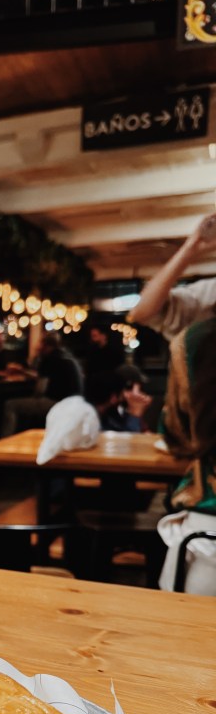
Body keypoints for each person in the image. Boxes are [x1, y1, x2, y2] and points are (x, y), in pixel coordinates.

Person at [127, 213, 216, 594]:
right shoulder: (208, 296)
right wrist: (193, 246)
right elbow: (143, 311)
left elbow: (178, 437)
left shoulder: (197, 340)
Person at [0, 332, 83, 436]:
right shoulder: (66, 356)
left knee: (11, 405)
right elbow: (46, 377)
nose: (38, 346)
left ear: (46, 345)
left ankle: (5, 440)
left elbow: (40, 390)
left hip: (57, 402)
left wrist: (32, 398)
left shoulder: (49, 358)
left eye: (40, 343)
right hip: (76, 403)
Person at [84, 367, 152, 433]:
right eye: (128, 388)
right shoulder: (91, 417)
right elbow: (127, 437)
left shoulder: (117, 412)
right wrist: (135, 415)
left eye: (140, 389)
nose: (137, 394)